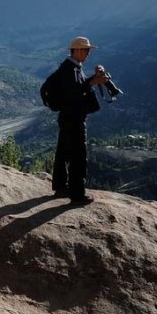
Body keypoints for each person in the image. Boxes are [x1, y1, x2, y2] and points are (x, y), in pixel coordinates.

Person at [51, 36, 109, 204]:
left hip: (67, 117)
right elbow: (74, 93)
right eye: (86, 50)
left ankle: (60, 187)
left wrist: (93, 78)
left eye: (89, 50)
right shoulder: (71, 69)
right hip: (74, 118)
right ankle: (77, 195)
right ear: (76, 50)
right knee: (78, 154)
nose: (88, 53)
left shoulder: (71, 67)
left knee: (63, 152)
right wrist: (93, 82)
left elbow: (77, 87)